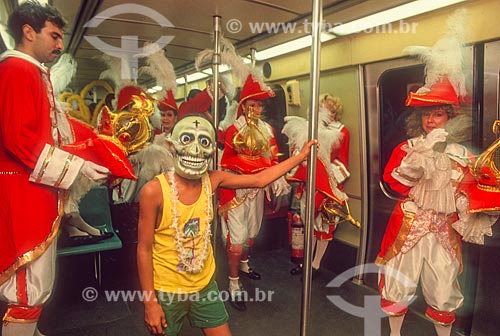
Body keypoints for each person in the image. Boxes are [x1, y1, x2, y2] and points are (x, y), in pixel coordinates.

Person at [136, 114, 316, 336]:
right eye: (186, 140)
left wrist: (300, 157)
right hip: (168, 290)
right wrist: (150, 303)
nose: (195, 150)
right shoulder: (153, 191)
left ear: (212, 150)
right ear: (172, 146)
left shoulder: (213, 180)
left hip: (204, 287)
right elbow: (144, 249)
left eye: (203, 143)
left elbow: (260, 179)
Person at [0, 2, 110, 335]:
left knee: (34, 284)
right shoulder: (19, 71)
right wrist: (76, 166)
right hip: (22, 194)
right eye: (55, 36)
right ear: (28, 32)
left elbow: (48, 133)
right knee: (27, 287)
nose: (60, 45)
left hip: (31, 192)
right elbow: (18, 138)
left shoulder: (31, 71)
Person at [376, 77, 475, 336]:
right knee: (398, 284)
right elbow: (395, 184)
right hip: (408, 228)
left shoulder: (464, 155)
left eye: (438, 114)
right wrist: (421, 155)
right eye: (425, 114)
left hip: (445, 232)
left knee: (444, 289)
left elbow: (468, 191)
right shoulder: (408, 149)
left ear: (451, 118)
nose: (430, 120)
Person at [218, 74, 291, 311]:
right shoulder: (233, 129)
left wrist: (276, 177)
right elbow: (226, 163)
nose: (257, 109)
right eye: (252, 104)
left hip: (257, 189)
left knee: (251, 232)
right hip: (237, 190)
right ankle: (233, 282)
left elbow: (272, 157)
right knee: (237, 240)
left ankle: (245, 264)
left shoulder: (267, 128)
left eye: (260, 104)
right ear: (243, 105)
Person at [283, 93, 351, 279]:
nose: (325, 111)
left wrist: (327, 178)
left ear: (335, 112)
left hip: (329, 185)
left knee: (324, 226)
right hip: (308, 185)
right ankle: (305, 262)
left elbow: (342, 162)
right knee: (308, 223)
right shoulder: (307, 129)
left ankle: (315, 264)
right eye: (321, 107)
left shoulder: (342, 131)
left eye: (329, 108)